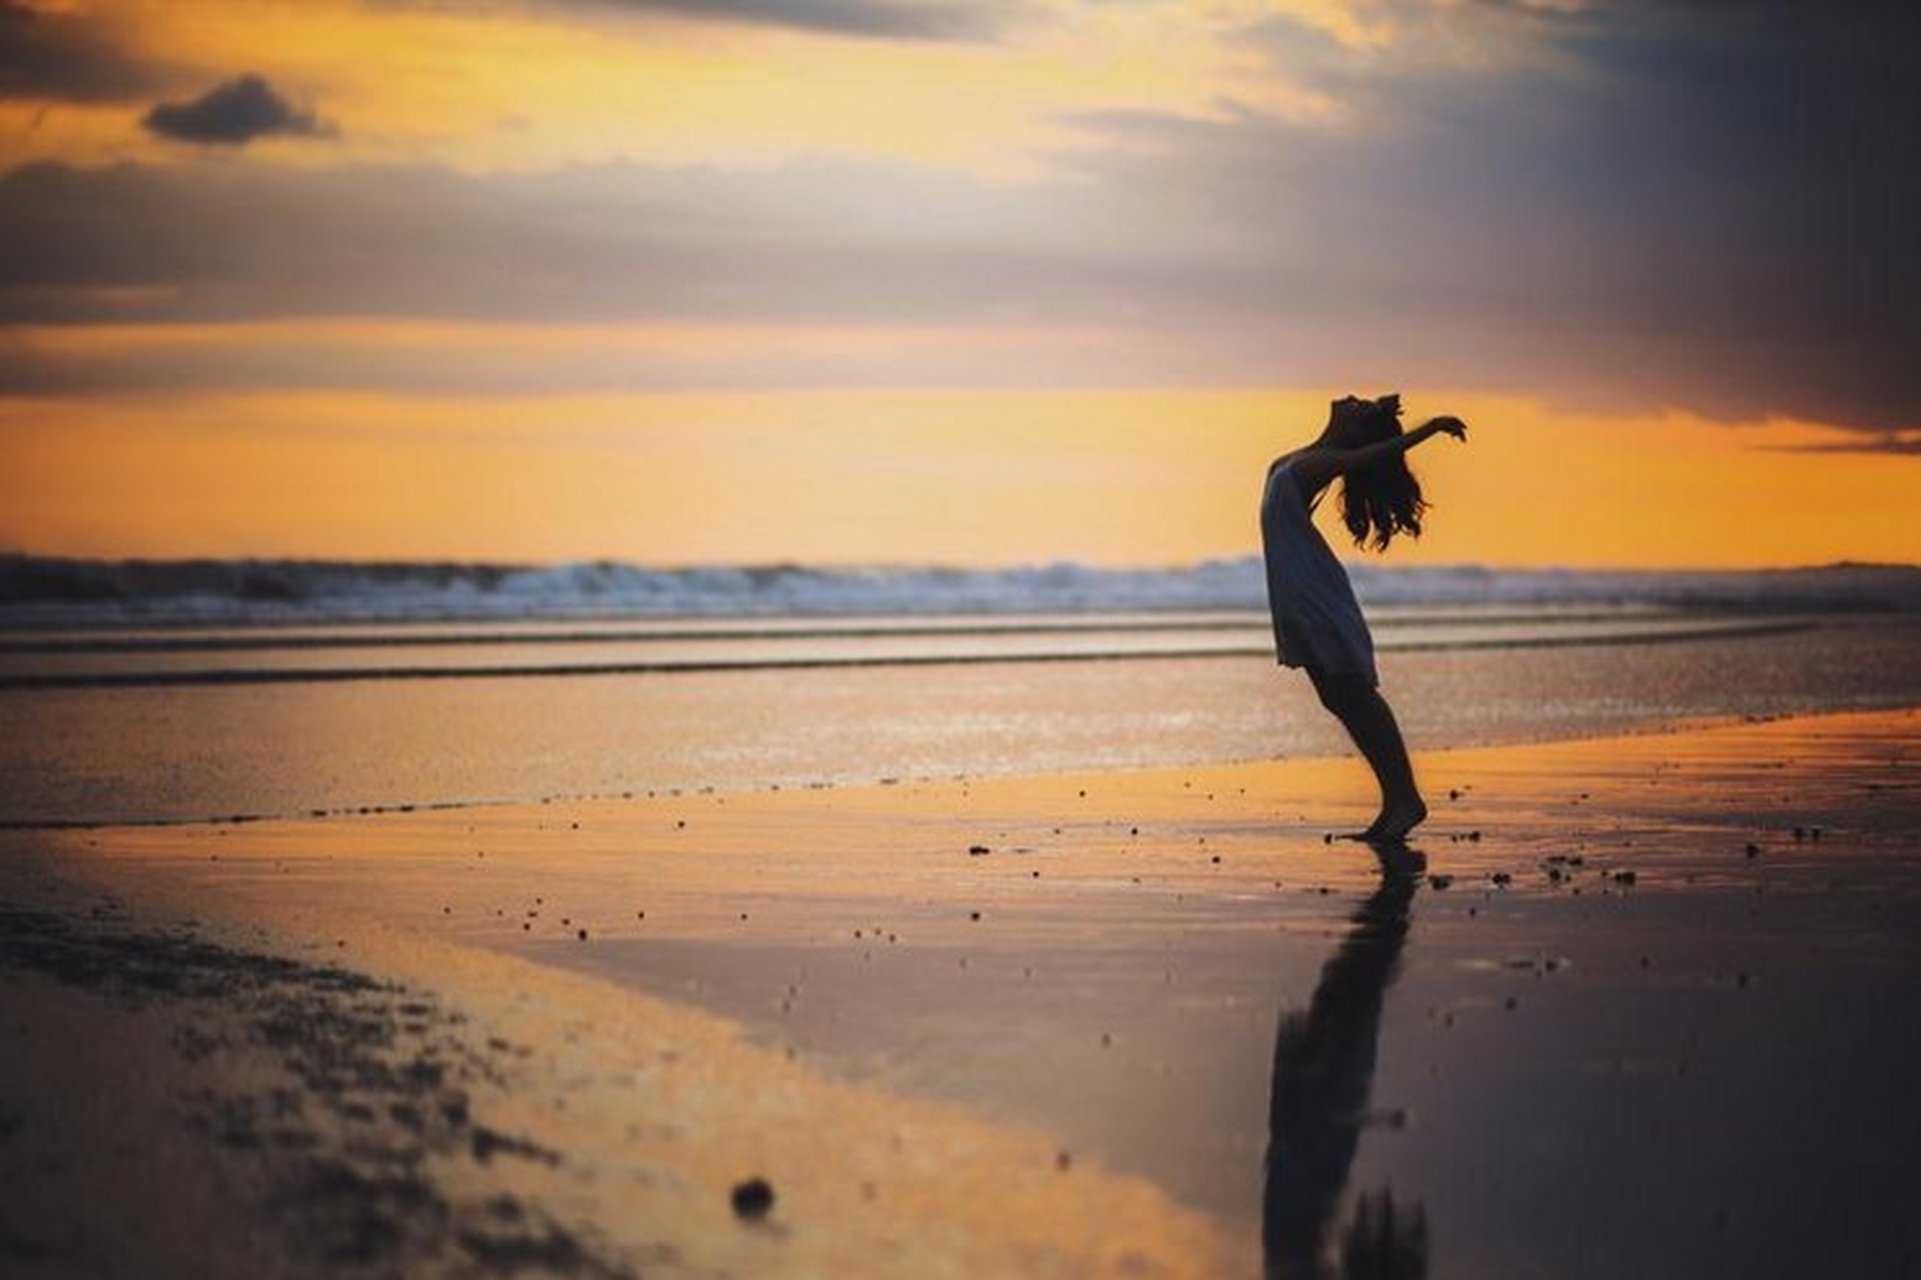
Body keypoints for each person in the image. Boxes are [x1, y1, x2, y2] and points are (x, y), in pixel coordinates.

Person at [1260, 393, 1467, 841]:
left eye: (1360, 406)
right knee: (1336, 695)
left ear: (1353, 432)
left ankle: (1405, 799)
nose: (1352, 398)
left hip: (1312, 589)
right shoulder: (1307, 457)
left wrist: (1428, 429)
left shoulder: (1324, 462)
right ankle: (1398, 800)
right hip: (1296, 589)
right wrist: (1376, 418)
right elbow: (1362, 451)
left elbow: (1370, 455)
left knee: (1351, 691)